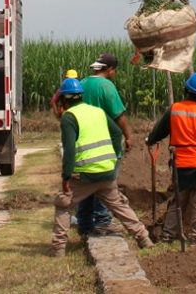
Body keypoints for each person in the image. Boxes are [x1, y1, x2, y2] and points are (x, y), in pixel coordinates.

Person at [51, 77, 153, 257]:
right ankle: (144, 238)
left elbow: (69, 151)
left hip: (85, 174)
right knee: (119, 206)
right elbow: (116, 132)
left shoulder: (69, 117)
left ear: (64, 99)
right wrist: (112, 156)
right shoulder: (98, 112)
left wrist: (66, 177)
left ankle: (58, 249)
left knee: (63, 204)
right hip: (107, 171)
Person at [145, 72, 196, 243]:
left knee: (177, 202)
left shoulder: (175, 109)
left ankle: (167, 236)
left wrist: (150, 140)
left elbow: (159, 132)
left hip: (180, 166)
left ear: (186, 90)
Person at [75, 53, 133, 236]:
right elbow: (119, 115)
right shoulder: (107, 86)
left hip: (84, 142)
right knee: (105, 182)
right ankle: (102, 221)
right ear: (110, 70)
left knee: (86, 182)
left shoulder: (82, 84)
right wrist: (128, 136)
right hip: (105, 143)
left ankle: (84, 223)